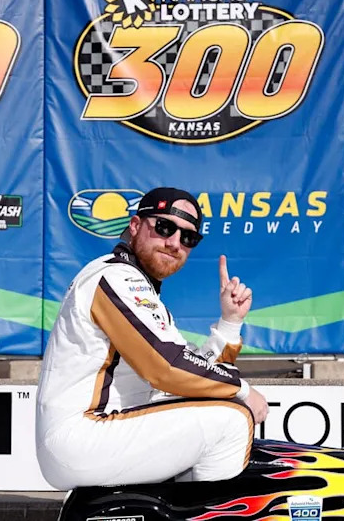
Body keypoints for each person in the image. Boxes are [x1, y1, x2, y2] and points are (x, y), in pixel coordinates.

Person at [35, 187, 269, 489]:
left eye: (188, 238)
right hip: (83, 434)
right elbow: (165, 367)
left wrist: (229, 323)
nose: (174, 243)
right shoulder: (115, 278)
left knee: (212, 407)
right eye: (164, 227)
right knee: (232, 420)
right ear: (135, 226)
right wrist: (242, 390)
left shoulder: (138, 288)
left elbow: (191, 369)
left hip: (98, 432)